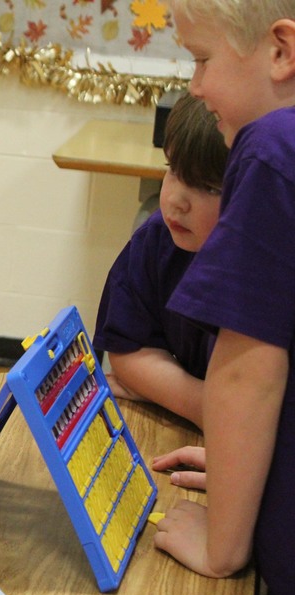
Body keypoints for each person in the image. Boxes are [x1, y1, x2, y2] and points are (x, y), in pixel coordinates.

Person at [151, 2, 295, 595]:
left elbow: (249, 368)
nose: (196, 86)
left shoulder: (269, 149)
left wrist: (222, 543)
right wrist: (244, 469)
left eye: (203, 60)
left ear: (281, 51)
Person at [93, 93, 228, 430]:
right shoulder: (157, 239)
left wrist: (161, 387)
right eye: (172, 171)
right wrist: (204, 406)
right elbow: (129, 352)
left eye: (208, 187)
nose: (175, 201)